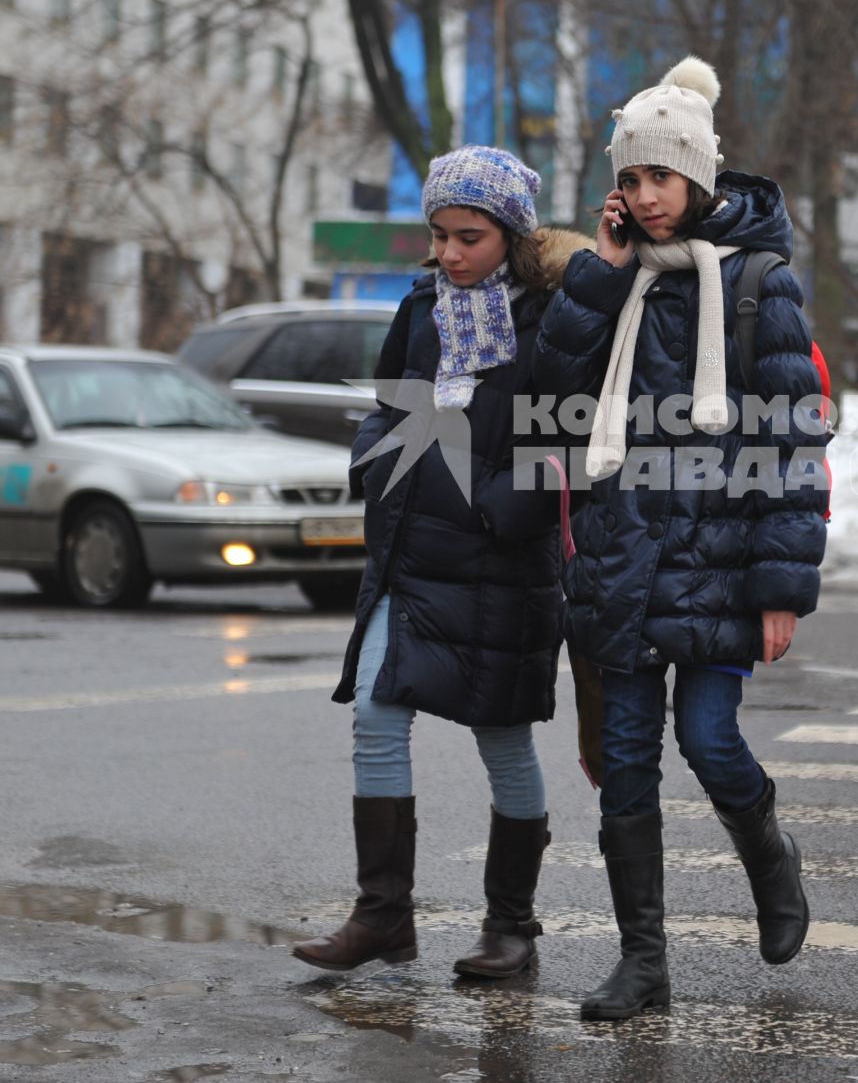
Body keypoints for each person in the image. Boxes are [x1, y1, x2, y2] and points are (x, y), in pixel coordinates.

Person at [533, 56, 830, 1020]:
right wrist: (602, 273)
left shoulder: (757, 282)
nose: (647, 194)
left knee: (707, 739)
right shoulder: (612, 275)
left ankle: (769, 852)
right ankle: (643, 961)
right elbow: (552, 386)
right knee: (625, 760)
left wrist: (783, 586)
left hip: (722, 561)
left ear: (699, 176)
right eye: (631, 177)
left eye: (662, 175)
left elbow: (791, 438)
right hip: (621, 558)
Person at [294, 146, 586, 979]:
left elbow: (565, 442)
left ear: (512, 234)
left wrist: (495, 504)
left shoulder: (552, 317)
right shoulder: (422, 306)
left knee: (504, 740)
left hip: (501, 567)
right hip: (411, 558)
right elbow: (391, 401)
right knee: (376, 716)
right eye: (440, 235)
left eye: (469, 237)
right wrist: (375, 461)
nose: (450, 254)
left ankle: (511, 926)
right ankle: (383, 913)